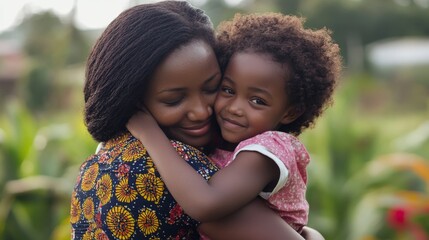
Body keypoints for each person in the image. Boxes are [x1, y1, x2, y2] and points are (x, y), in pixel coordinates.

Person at [70, 1, 325, 239]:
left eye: (211, 87)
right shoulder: (167, 166)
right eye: (174, 100)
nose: (202, 112)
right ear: (135, 100)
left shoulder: (104, 157)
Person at [127, 12, 342, 236]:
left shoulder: (269, 150)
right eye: (228, 90)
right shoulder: (218, 137)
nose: (235, 108)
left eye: (257, 101)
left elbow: (206, 203)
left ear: (290, 113)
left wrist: (149, 133)